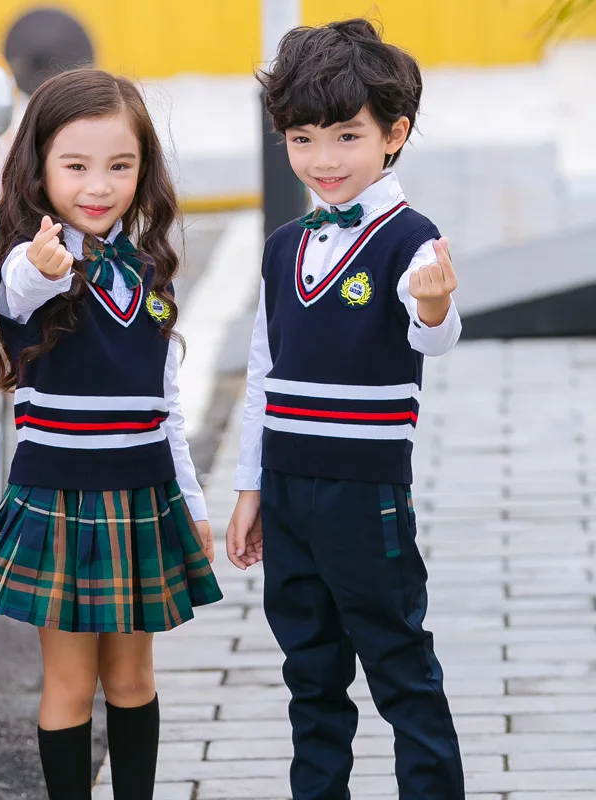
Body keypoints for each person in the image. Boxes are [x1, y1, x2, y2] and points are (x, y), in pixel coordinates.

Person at [0, 67, 222, 800]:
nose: (98, 184)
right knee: (70, 685)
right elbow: (20, 290)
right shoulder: (33, 260)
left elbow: (165, 408)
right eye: (75, 166)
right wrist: (43, 267)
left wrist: (191, 503)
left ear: (144, 169)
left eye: (120, 165)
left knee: (133, 678)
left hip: (141, 498)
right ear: (39, 169)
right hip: (63, 503)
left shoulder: (145, 272)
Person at [226, 19, 465, 800]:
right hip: (289, 489)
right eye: (302, 139)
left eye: (346, 136)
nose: (323, 161)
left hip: (365, 495)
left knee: (400, 666)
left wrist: (432, 309)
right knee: (310, 672)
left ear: (393, 135)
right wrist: (251, 485)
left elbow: (433, 338)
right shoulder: (283, 245)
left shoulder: (412, 241)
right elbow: (265, 367)